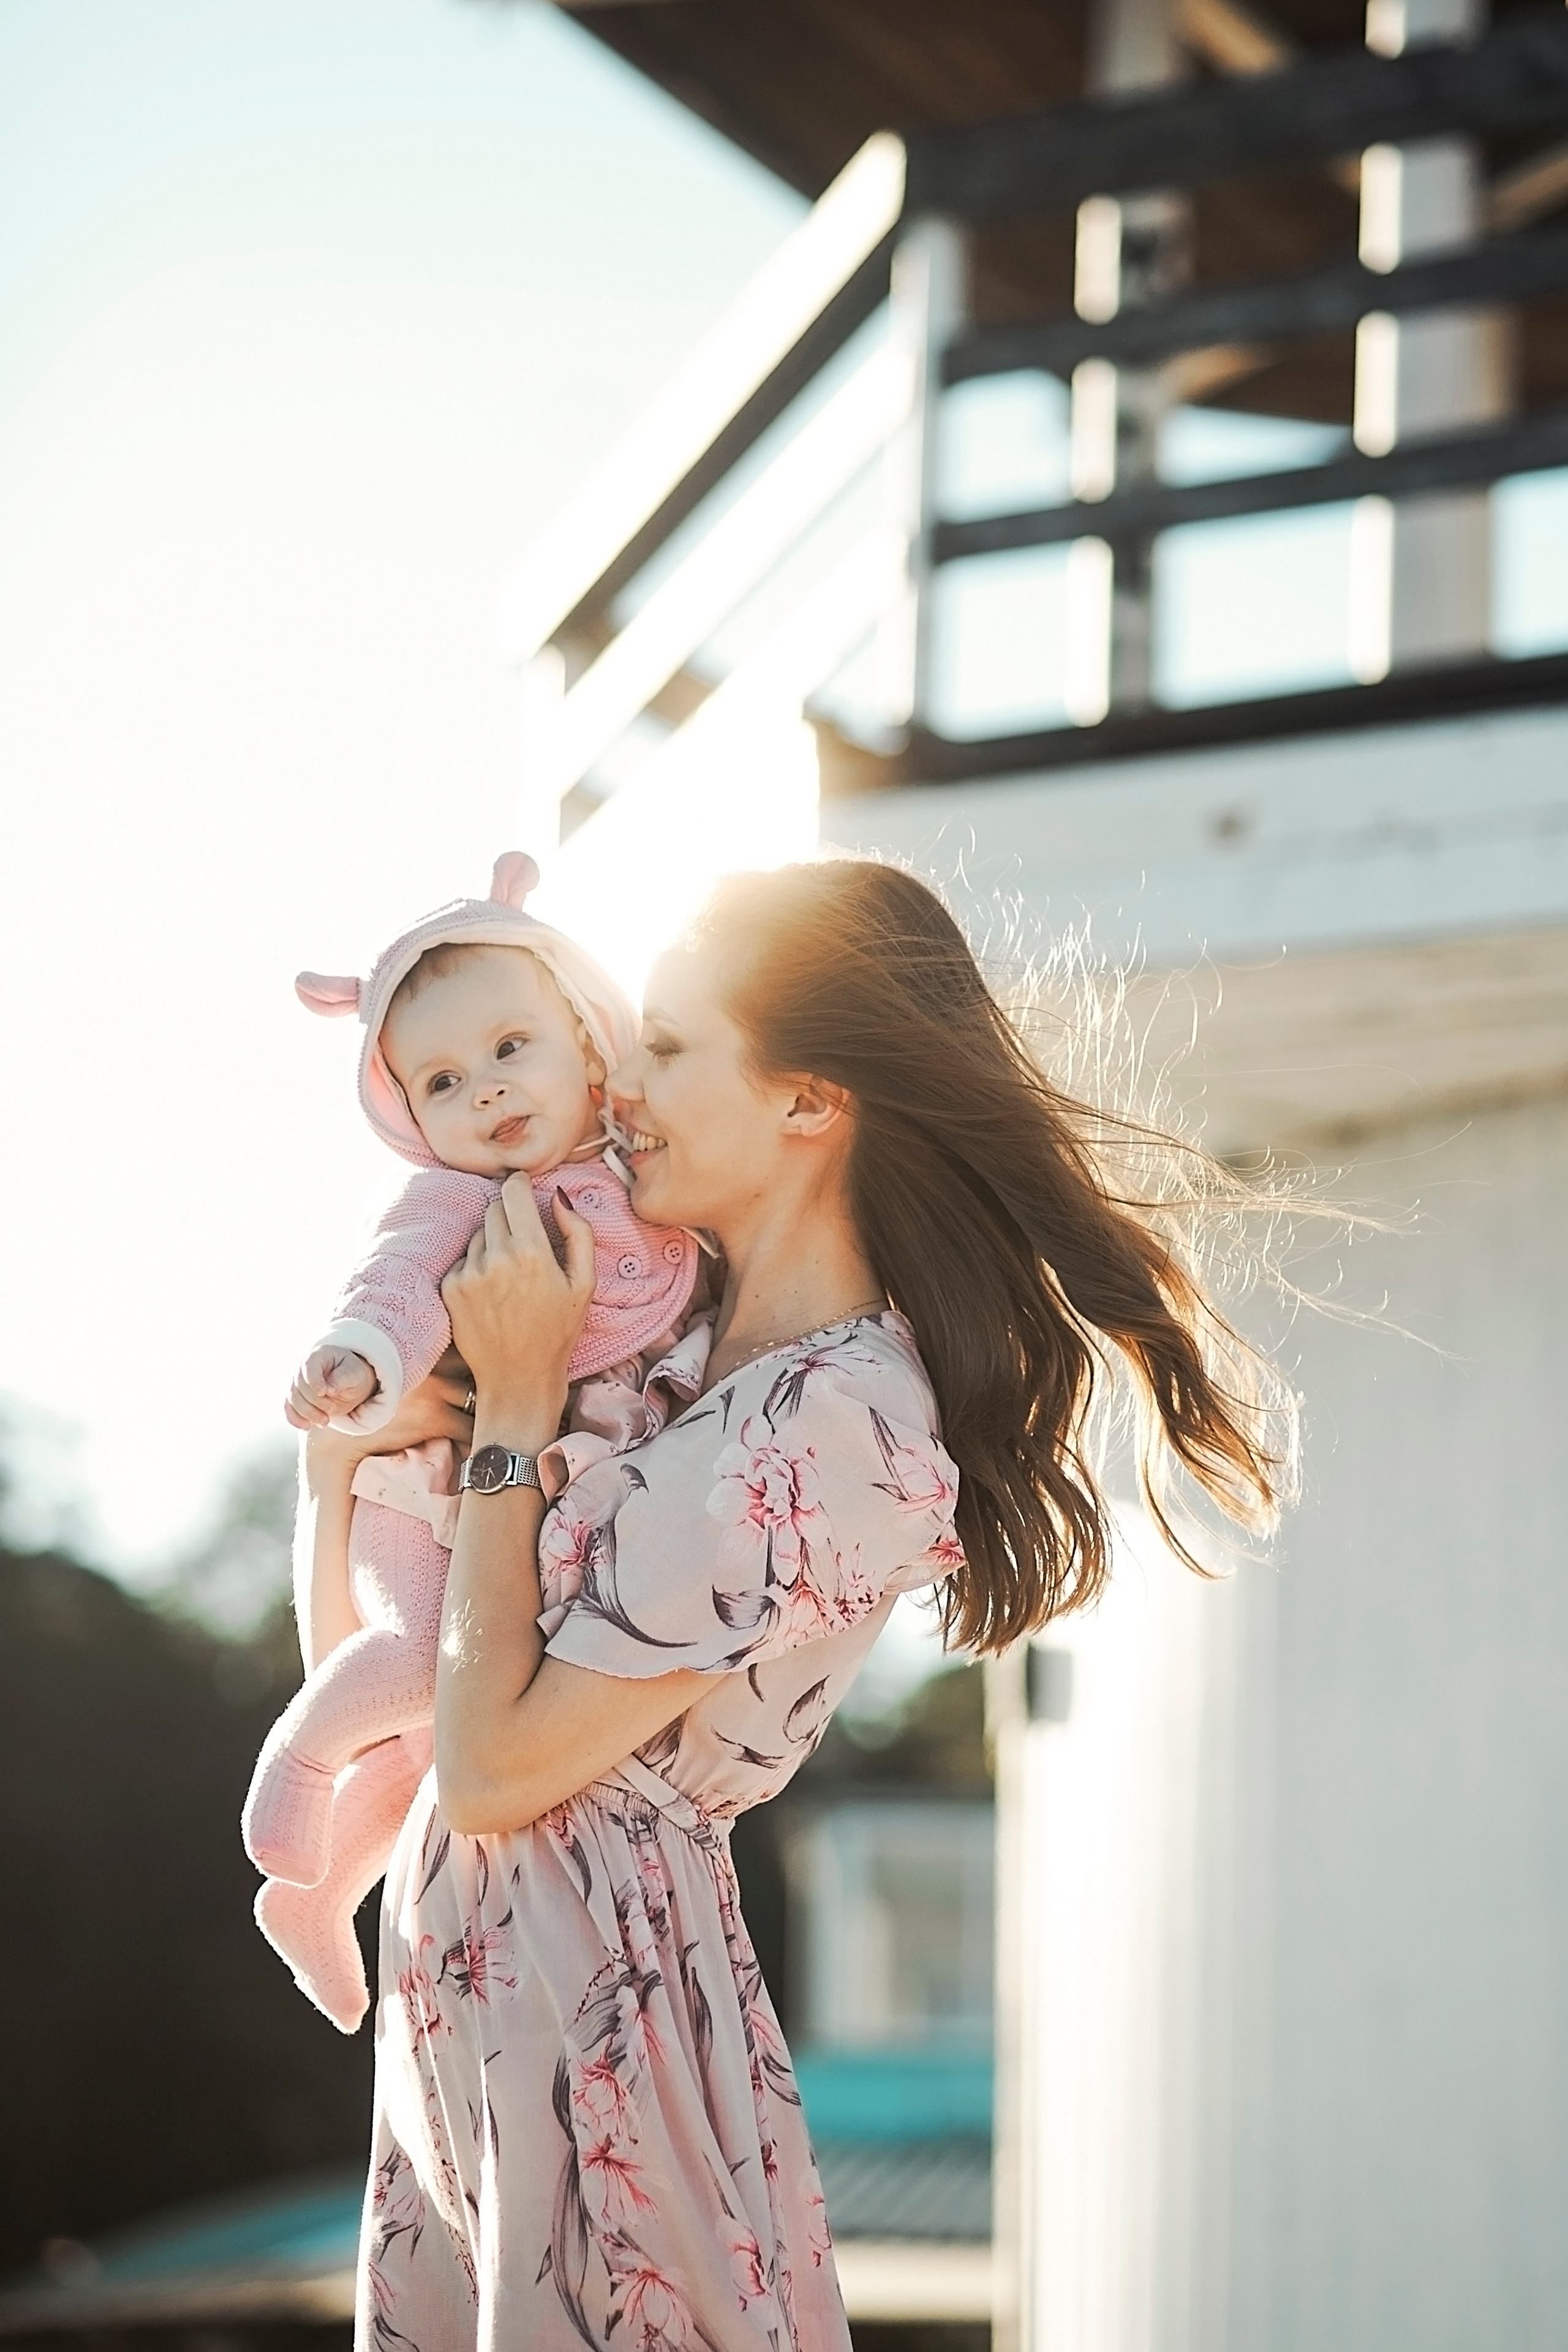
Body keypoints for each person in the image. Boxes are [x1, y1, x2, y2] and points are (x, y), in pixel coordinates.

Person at [298, 857, 1287, 2352]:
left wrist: (506, 1407)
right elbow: (408, 1706)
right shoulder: (656, 1363)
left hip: (592, 2019)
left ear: (808, 1102)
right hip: (484, 2014)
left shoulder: (842, 1416)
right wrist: (341, 1471)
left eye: (675, 1047)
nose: (621, 1077)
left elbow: (499, 1772)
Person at [243, 852, 698, 2034]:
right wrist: (358, 1357)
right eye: (443, 1080)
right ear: (412, 1117)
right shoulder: (453, 1202)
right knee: (425, 1664)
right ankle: (297, 1764)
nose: (487, 1091)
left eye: (511, 1048)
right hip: (432, 1485)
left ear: (589, 1041)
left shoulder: (646, 1171)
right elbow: (392, 1284)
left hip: (535, 1487)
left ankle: (322, 1894)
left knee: (454, 1731)